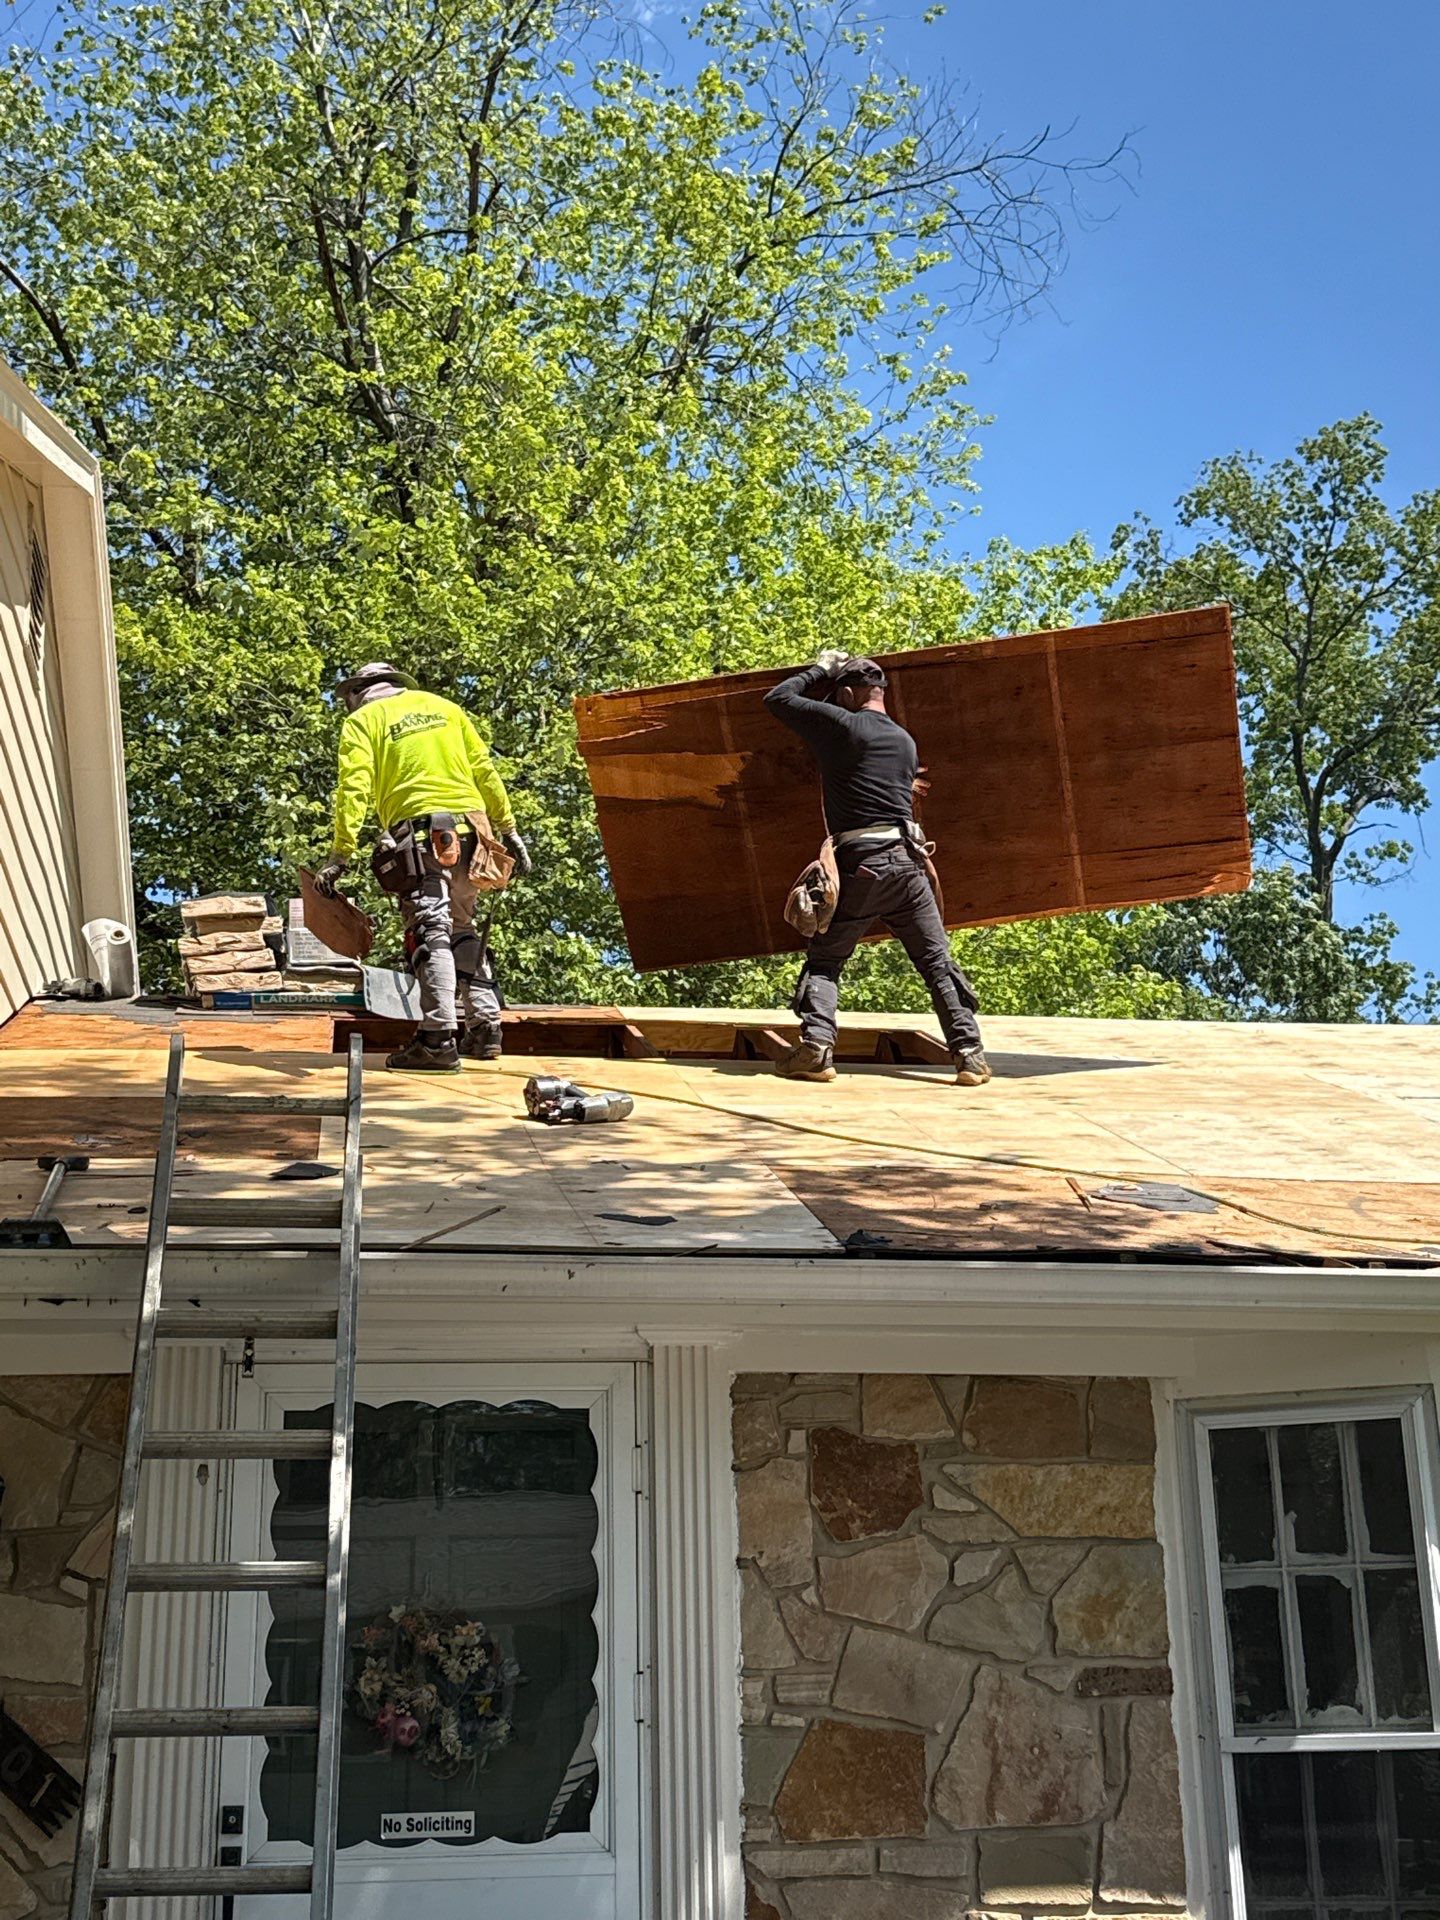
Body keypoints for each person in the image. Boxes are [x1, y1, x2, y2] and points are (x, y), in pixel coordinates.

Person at [763, 649, 990, 1086]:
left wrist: (820, 670)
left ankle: (816, 1050)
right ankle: (970, 1056)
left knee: (826, 961)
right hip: (908, 866)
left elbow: (778, 699)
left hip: (861, 866)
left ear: (848, 694)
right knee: (937, 963)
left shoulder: (843, 726)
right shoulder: (905, 742)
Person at [314, 662, 531, 1072]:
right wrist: (510, 830)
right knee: (462, 928)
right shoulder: (446, 708)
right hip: (474, 835)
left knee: (430, 931)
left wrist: (340, 854)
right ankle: (485, 1028)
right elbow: (484, 769)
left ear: (358, 693)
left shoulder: (363, 721)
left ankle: (436, 1040)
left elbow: (354, 786)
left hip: (421, 836)